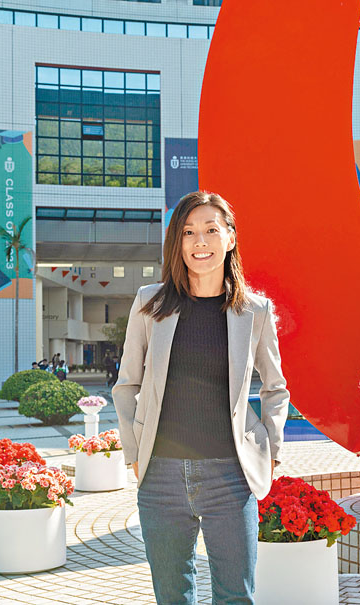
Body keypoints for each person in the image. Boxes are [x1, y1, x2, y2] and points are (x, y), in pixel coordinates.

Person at [113, 191, 290, 605]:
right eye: (189, 232)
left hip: (231, 475)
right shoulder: (149, 303)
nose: (200, 242)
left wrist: (273, 452)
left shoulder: (255, 311)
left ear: (230, 238)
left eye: (211, 230)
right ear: (177, 242)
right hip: (160, 476)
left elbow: (275, 387)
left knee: (235, 596)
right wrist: (134, 452)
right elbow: (126, 385)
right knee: (172, 596)